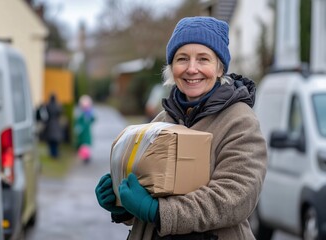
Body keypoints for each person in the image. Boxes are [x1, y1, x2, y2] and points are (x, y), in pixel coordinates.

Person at [95, 16, 268, 239]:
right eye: (182, 58)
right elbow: (148, 190)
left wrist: (158, 212)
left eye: (203, 59)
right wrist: (121, 201)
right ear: (171, 67)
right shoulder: (161, 121)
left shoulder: (240, 122)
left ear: (219, 68)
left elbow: (235, 197)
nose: (191, 69)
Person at [74, 95, 95, 161]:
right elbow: (78, 121)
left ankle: (86, 156)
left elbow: (92, 119)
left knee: (86, 145)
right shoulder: (81, 113)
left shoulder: (88, 113)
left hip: (86, 132)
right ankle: (85, 156)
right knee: (83, 145)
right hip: (82, 132)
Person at [43, 93, 63, 159]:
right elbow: (60, 112)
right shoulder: (57, 106)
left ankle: (52, 153)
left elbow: (44, 114)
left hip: (49, 124)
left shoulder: (47, 105)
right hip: (56, 124)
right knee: (55, 141)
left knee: (51, 141)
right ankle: (55, 153)